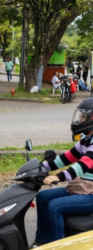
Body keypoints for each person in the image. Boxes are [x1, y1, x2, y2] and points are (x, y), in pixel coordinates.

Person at [31, 97, 93, 248]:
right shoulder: (86, 139)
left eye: (83, 116)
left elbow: (81, 167)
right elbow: (66, 158)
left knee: (55, 206)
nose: (79, 120)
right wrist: (41, 167)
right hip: (83, 188)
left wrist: (57, 177)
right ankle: (42, 241)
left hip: (90, 194)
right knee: (42, 197)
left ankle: (56, 245)